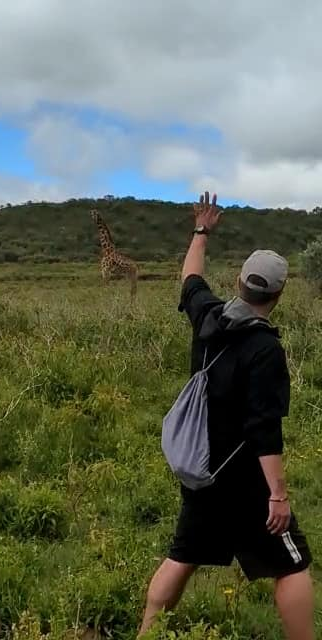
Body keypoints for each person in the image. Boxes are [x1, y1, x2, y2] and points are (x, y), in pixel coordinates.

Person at [138, 191, 314, 640]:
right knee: (292, 563)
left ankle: (148, 632)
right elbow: (263, 431)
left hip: (202, 469)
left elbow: (190, 279)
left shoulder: (209, 319)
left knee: (183, 554)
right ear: (278, 293)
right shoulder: (265, 350)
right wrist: (277, 495)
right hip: (245, 482)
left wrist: (201, 231)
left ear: (238, 282)